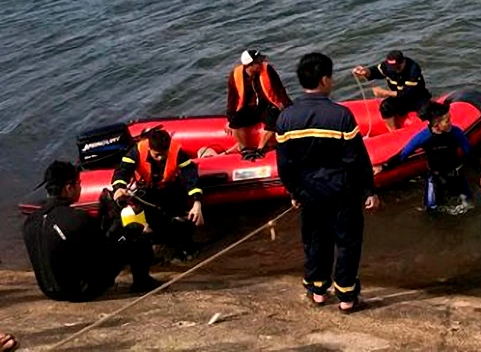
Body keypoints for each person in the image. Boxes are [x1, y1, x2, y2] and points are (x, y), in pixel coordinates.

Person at [277, 52, 379, 310]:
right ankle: (346, 296)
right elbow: (356, 158)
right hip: (342, 191)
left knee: (315, 241)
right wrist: (369, 190)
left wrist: (293, 191)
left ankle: (318, 291)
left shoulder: (286, 118)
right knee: (347, 242)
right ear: (324, 80)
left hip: (309, 192)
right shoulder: (341, 115)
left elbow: (285, 164)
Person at [23, 161, 157, 301]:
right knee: (134, 229)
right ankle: (142, 281)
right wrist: (116, 213)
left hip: (49, 292)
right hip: (82, 292)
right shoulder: (76, 218)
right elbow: (105, 248)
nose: (80, 187)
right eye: (78, 183)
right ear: (69, 188)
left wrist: (103, 213)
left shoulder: (30, 221)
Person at [377, 100, 481, 212]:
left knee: (469, 206)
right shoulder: (423, 137)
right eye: (447, 121)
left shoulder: (456, 132)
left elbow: (469, 153)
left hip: (456, 174)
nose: (451, 123)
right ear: (437, 125)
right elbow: (403, 155)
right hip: (435, 177)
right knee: (431, 210)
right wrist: (383, 167)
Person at [111, 127, 204, 260]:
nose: (160, 158)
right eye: (157, 155)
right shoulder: (136, 152)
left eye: (163, 154)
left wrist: (197, 201)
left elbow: (190, 175)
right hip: (148, 191)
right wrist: (119, 187)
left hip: (171, 188)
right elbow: (122, 171)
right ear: (149, 148)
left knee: (180, 219)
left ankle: (185, 244)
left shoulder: (177, 151)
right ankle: (161, 242)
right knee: (156, 222)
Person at [227, 49, 293, 159]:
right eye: (258, 62)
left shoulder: (268, 69)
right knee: (235, 121)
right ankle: (244, 149)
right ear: (249, 65)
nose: (261, 63)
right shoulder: (235, 75)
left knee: (273, 117)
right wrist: (230, 119)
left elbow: (280, 90)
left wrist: (289, 107)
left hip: (267, 106)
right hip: (250, 108)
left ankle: (260, 148)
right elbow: (232, 98)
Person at [352, 50, 430, 131]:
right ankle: (393, 132)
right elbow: (375, 71)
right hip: (400, 99)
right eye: (392, 68)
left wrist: (385, 93)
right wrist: (365, 72)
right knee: (385, 107)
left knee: (425, 111)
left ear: (403, 62)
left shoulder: (413, 69)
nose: (395, 70)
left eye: (397, 67)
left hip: (417, 98)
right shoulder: (387, 67)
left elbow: (407, 93)